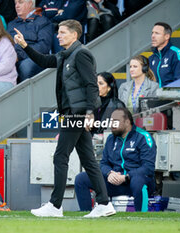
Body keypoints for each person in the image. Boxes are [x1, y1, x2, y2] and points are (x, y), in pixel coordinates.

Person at [14, 19, 116, 218]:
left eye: (62, 32)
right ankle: (104, 203)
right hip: (72, 112)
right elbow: (44, 61)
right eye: (58, 32)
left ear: (74, 35)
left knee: (61, 156)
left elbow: (91, 85)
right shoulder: (64, 55)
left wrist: (89, 113)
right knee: (88, 159)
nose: (58, 35)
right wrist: (25, 46)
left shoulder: (82, 54)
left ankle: (55, 205)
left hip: (77, 113)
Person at [75, 108, 156, 211]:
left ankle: (142, 216)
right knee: (81, 179)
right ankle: (86, 214)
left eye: (115, 121)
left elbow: (148, 167)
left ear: (127, 122)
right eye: (111, 121)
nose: (111, 124)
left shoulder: (143, 137)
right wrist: (109, 173)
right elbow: (103, 163)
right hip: (115, 182)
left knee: (138, 181)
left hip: (135, 181)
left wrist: (126, 177)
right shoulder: (111, 138)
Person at [7, 0, 53, 82]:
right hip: (11, 57)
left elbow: (43, 47)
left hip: (32, 58)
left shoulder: (43, 22)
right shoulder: (11, 24)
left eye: (20, 2)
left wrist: (19, 55)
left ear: (30, 4)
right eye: (15, 3)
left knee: (26, 66)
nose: (16, 6)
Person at [148, 22, 180, 87]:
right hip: (154, 96)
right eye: (152, 33)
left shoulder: (176, 54)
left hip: (171, 96)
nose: (153, 36)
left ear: (167, 36)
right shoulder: (152, 58)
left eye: (157, 33)